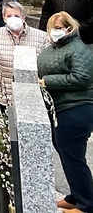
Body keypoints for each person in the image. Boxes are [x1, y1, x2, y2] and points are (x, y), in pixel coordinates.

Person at [38, 11, 93, 213]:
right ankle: (75, 197)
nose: (55, 31)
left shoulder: (79, 49)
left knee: (74, 157)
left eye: (59, 27)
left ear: (70, 28)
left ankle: (86, 204)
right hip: (60, 109)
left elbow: (82, 77)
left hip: (77, 108)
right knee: (66, 154)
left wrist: (48, 81)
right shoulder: (55, 48)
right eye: (52, 28)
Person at [0, 0, 47, 112]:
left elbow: (45, 66)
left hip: (31, 94)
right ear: (4, 18)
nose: (13, 19)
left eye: (16, 16)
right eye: (9, 16)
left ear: (23, 18)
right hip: (5, 93)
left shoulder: (41, 37)